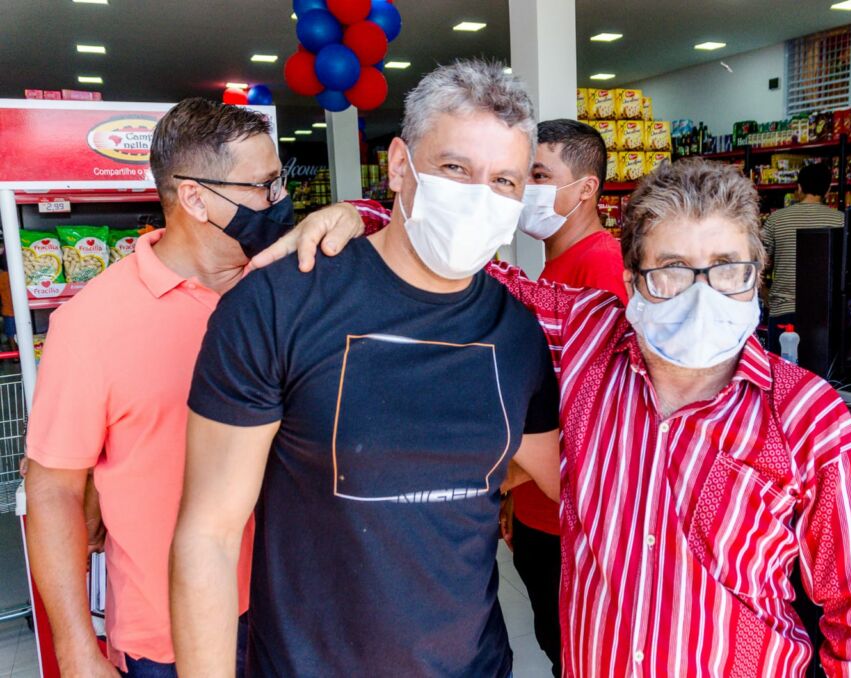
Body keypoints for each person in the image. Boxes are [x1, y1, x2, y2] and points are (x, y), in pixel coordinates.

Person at [171, 60, 561, 677]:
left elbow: (577, 484)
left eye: (504, 181)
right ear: (400, 164)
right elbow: (208, 537)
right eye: (455, 168)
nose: (478, 198)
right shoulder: (279, 304)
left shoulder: (518, 332)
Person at [486, 159, 851, 676]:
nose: (703, 295)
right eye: (672, 269)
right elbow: (468, 272)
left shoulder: (805, 415)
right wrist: (359, 217)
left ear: (758, 271)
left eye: (729, 267)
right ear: (631, 279)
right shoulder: (587, 338)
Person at [23, 98, 368, 677]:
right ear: (195, 197)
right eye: (262, 186)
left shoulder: (294, 285)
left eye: (277, 181)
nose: (278, 201)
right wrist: (78, 648)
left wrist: (356, 214)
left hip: (305, 604)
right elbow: (53, 489)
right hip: (171, 632)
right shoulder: (91, 322)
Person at [503, 117, 626, 676]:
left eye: (539, 174)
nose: (525, 187)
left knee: (575, 656)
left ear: (586, 189)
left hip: (567, 517)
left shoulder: (599, 264)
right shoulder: (551, 265)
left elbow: (599, 411)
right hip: (536, 508)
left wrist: (509, 480)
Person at [763, 162, 844, 353]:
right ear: (828, 190)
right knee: (822, 378)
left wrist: (764, 292)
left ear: (799, 187)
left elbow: (757, 262)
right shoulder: (840, 219)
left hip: (784, 311)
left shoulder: (777, 219)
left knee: (782, 375)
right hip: (826, 315)